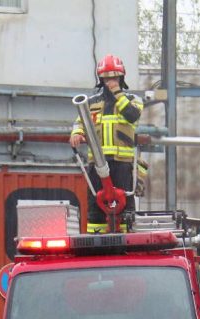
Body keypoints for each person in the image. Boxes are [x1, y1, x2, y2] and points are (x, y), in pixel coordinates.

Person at [69, 54, 144, 233]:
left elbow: (132, 115)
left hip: (123, 162)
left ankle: (127, 238)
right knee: (96, 205)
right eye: (107, 77)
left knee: (126, 205)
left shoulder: (133, 100)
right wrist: (77, 133)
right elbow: (80, 121)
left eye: (114, 77)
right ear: (101, 79)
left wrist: (118, 93)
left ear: (121, 77)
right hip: (97, 162)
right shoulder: (92, 102)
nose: (111, 81)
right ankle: (97, 239)